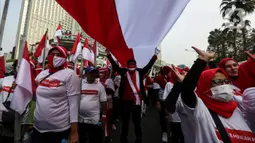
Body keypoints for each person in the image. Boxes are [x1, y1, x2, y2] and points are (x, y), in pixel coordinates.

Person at [173, 47, 255, 143]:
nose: (224, 85)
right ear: (205, 86)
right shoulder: (201, 111)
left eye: (226, 81)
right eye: (217, 82)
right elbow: (187, 91)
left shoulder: (236, 108)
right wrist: (203, 60)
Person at [106, 48, 159, 143]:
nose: (131, 66)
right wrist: (108, 55)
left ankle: (139, 138)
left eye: (133, 65)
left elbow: (149, 65)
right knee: (125, 122)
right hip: (125, 101)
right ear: (126, 66)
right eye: (129, 65)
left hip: (136, 101)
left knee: (137, 121)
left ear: (136, 65)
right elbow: (114, 65)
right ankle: (123, 138)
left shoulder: (140, 72)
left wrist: (155, 55)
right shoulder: (123, 72)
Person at [31, 46, 80, 143]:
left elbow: (74, 105)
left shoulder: (70, 74)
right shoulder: (42, 74)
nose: (54, 57)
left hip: (58, 131)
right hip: (37, 128)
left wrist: (74, 132)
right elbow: (34, 95)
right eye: (52, 54)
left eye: (58, 55)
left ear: (65, 58)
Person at [79, 66, 107, 143]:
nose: (93, 74)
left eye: (95, 72)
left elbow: (104, 102)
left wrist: (104, 117)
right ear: (86, 74)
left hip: (94, 120)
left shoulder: (100, 86)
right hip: (81, 120)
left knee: (95, 140)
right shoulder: (80, 83)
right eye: (91, 72)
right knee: (82, 140)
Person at [153, 66, 171, 142]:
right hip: (162, 101)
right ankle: (164, 132)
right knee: (162, 117)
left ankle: (171, 131)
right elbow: (155, 92)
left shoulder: (172, 78)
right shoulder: (158, 78)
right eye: (170, 71)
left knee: (171, 118)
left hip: (171, 101)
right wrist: (157, 102)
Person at [99, 67, 115, 142]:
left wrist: (104, 88)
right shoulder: (97, 80)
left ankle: (107, 137)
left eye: (102, 73)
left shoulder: (109, 80)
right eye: (99, 73)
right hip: (99, 103)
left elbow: (112, 91)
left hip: (108, 103)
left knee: (106, 122)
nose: (100, 74)